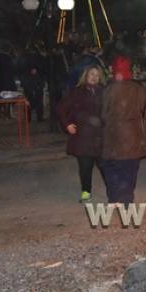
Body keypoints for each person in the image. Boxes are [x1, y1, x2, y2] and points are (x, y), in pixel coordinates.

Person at [101, 56, 146, 204]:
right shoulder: (138, 88)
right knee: (130, 168)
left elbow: (103, 112)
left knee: (112, 167)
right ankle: (127, 198)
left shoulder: (109, 89)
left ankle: (114, 197)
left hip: (114, 133)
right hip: (133, 133)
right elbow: (142, 108)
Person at [56, 65, 106, 202]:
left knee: (105, 166)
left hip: (100, 136)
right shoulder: (77, 92)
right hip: (83, 137)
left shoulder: (104, 91)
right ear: (86, 76)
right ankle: (86, 192)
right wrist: (67, 124)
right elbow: (61, 108)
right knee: (85, 167)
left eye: (97, 75)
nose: (94, 77)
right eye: (91, 74)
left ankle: (112, 192)